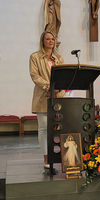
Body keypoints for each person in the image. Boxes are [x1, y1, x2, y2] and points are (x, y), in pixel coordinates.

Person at [29, 31, 65, 169]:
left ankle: (65, 156)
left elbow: (64, 73)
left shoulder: (59, 58)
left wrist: (59, 88)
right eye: (47, 39)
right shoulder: (35, 57)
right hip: (43, 97)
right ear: (42, 41)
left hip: (59, 97)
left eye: (52, 39)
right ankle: (47, 159)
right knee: (44, 129)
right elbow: (35, 75)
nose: (51, 41)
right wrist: (49, 87)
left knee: (62, 126)